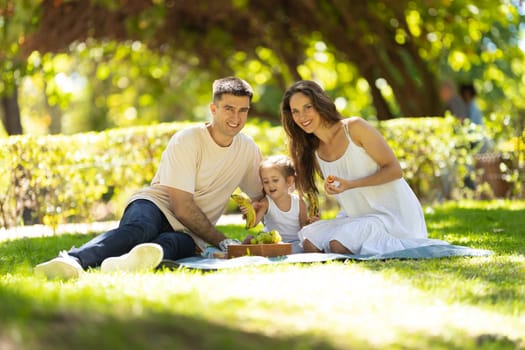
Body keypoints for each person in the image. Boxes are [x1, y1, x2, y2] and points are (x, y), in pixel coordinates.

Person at [35, 77, 263, 279]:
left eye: (243, 110)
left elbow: (262, 196)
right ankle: (72, 260)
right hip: (155, 205)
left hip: (190, 234)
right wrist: (223, 241)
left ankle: (124, 264)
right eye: (229, 109)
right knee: (141, 229)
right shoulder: (188, 140)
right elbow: (181, 208)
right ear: (213, 109)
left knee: (170, 245)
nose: (236, 117)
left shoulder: (248, 149)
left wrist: (261, 218)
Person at [280, 80, 448, 255]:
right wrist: (334, 188)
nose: (302, 116)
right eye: (295, 111)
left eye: (308, 107)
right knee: (310, 239)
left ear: (320, 104)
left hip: (393, 217)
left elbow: (395, 170)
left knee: (338, 244)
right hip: (359, 218)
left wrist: (351, 184)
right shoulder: (313, 151)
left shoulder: (354, 128)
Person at [242, 155, 316, 253]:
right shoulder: (266, 202)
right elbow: (252, 224)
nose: (270, 185)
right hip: (272, 242)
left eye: (275, 180)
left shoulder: (299, 202)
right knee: (250, 240)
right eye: (265, 182)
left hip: (294, 242)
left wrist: (311, 223)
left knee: (306, 245)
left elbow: (303, 227)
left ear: (289, 181)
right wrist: (250, 211)